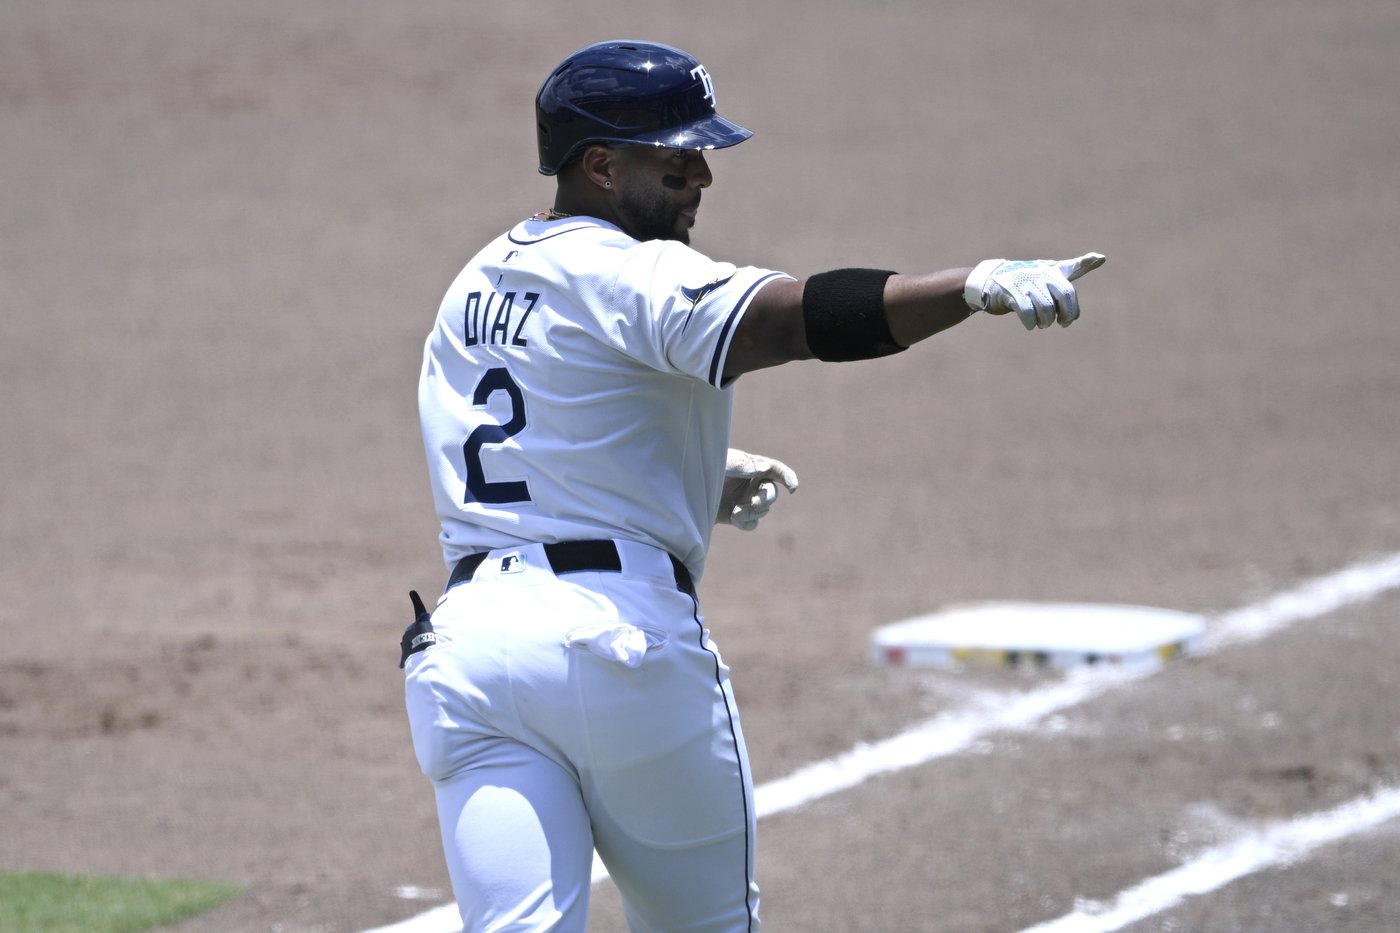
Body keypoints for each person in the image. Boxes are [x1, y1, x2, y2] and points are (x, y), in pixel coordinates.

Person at [403, 38, 1104, 933]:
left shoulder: (477, 281)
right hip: (614, 646)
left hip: (468, 656)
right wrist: (972, 287)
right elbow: (794, 318)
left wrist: (688, 474)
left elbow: (518, 425)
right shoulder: (633, 269)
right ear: (601, 164)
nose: (701, 175)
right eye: (676, 156)